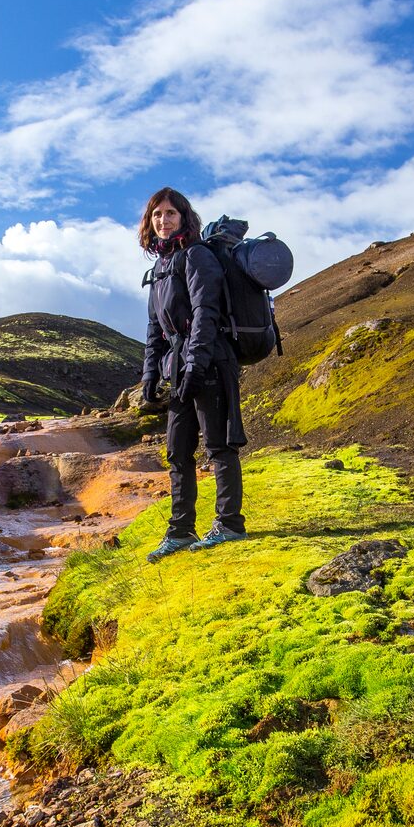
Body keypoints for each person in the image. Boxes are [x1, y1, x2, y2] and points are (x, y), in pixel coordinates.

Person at [138, 187, 247, 563]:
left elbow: (206, 313)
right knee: (177, 451)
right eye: (157, 215)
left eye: (170, 214)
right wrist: (150, 374)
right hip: (178, 367)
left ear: (184, 217)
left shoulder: (197, 256)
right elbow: (155, 327)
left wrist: (197, 365)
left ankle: (230, 524)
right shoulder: (160, 268)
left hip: (210, 362)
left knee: (219, 445)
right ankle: (181, 531)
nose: (163, 221)